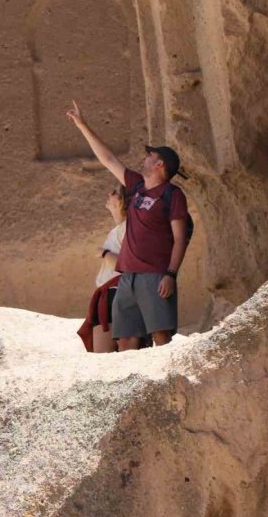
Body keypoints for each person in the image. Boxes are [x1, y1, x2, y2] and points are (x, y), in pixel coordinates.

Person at [67, 100, 189, 350]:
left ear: (160, 165)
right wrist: (82, 125)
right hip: (128, 276)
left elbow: (180, 238)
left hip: (155, 274)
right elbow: (108, 159)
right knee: (125, 340)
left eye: (149, 156)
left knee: (161, 336)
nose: (144, 158)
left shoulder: (172, 194)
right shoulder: (137, 186)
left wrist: (171, 274)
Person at [77, 186, 127, 352]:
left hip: (114, 293)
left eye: (115, 193)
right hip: (109, 294)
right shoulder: (119, 229)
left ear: (122, 202)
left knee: (103, 357)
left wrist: (104, 253)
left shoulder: (128, 228)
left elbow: (125, 266)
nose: (109, 194)